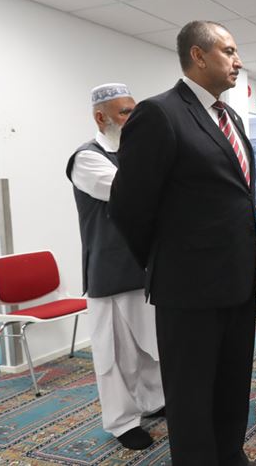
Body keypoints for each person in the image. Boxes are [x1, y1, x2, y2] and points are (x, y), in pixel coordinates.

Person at [108, 21, 256, 466]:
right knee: (192, 395)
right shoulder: (159, 113)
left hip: (239, 280)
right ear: (198, 55)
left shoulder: (230, 117)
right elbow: (128, 205)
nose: (238, 61)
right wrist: (167, 260)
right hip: (188, 287)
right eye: (229, 51)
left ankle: (231, 455)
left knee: (232, 384)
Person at [66, 83, 164, 450]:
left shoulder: (133, 154)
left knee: (151, 346)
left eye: (135, 111)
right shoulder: (86, 158)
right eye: (125, 112)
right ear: (100, 117)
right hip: (110, 273)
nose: (133, 119)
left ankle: (153, 401)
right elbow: (132, 195)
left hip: (144, 268)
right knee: (116, 355)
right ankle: (122, 422)